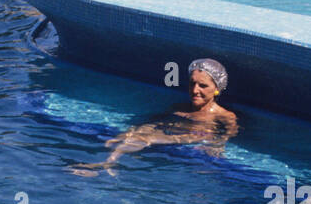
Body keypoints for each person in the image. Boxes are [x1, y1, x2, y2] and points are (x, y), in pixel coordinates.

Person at [72, 58, 239, 175]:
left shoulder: (224, 115)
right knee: (139, 134)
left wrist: (217, 146)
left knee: (145, 139)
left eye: (203, 86)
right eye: (192, 83)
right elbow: (154, 123)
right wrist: (127, 133)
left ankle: (107, 163)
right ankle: (109, 161)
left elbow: (229, 133)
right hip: (171, 133)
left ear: (217, 88)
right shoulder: (180, 108)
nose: (195, 90)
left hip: (195, 136)